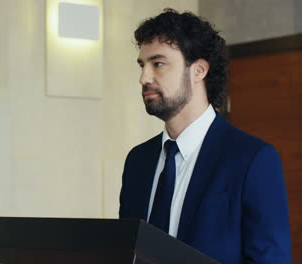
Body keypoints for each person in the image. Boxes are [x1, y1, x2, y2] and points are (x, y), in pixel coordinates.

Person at [119, 8, 291, 264]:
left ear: (198, 70)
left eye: (158, 64)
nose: (144, 77)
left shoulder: (251, 159)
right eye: (142, 65)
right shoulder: (138, 161)